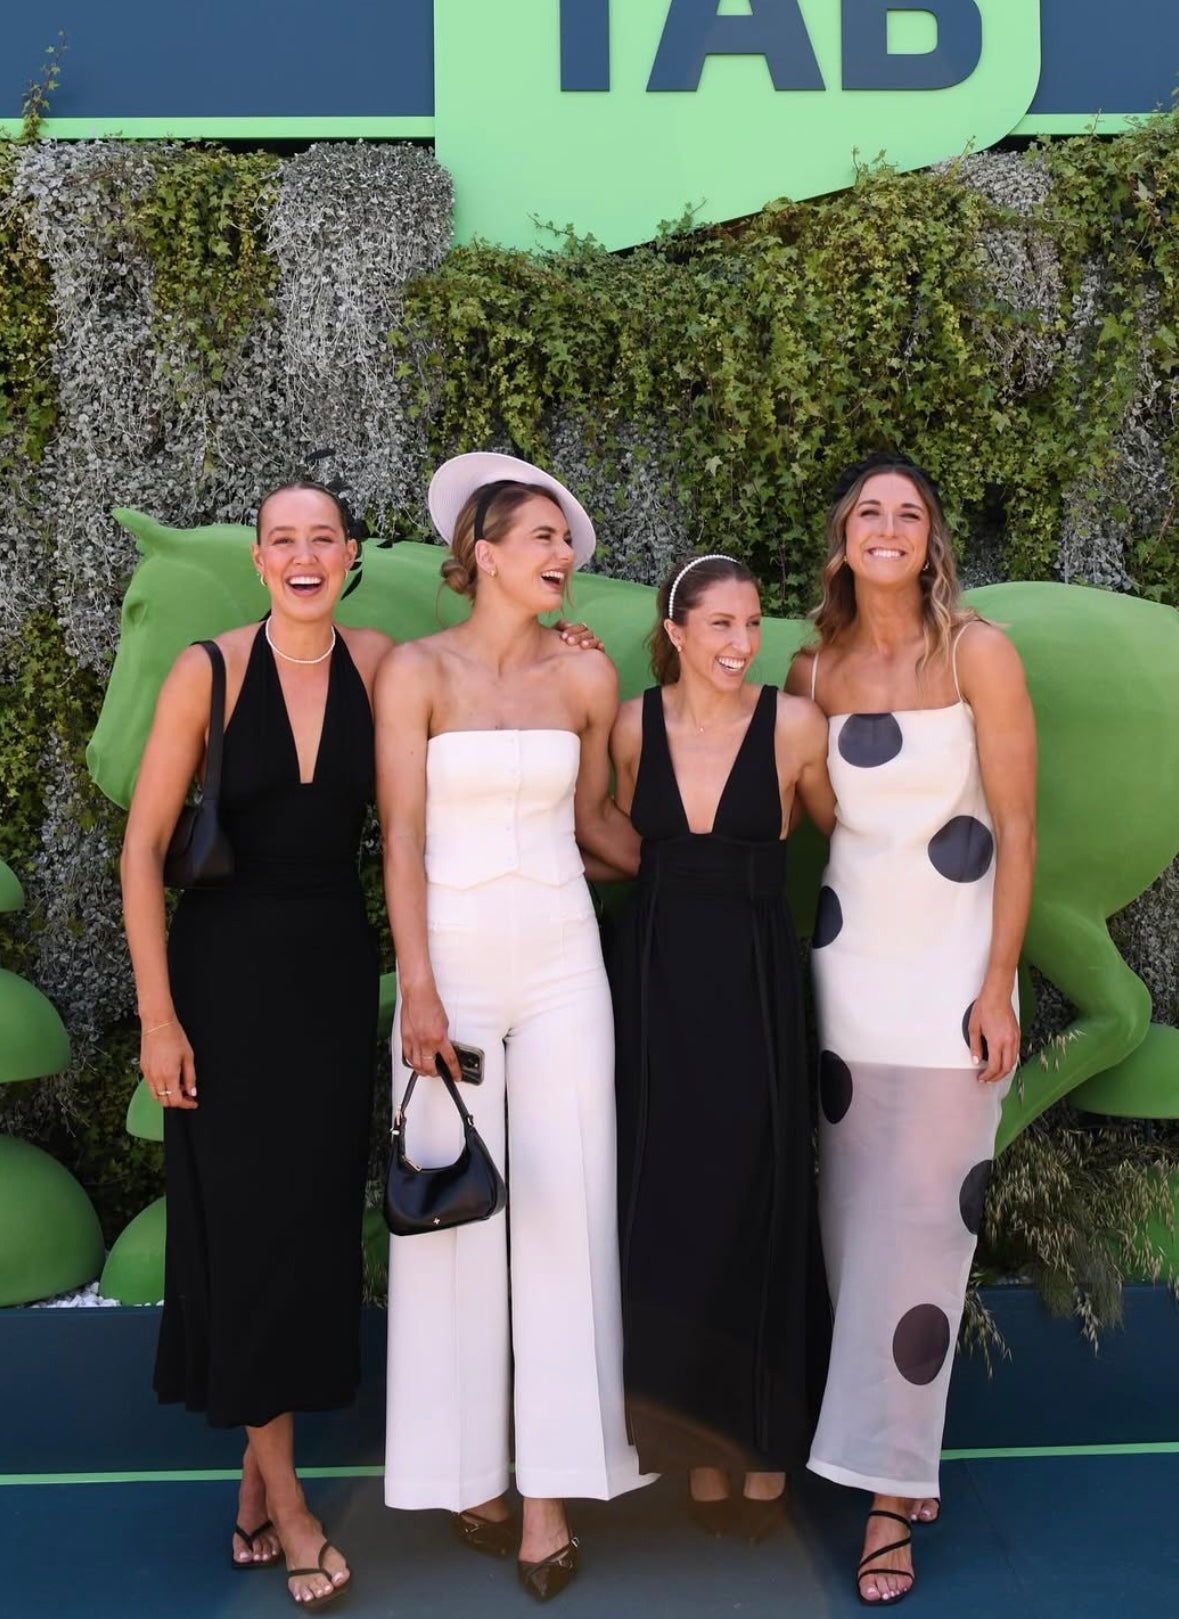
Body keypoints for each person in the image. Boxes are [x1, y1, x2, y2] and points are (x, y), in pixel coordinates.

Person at [376, 453, 651, 1603]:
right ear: (482, 553)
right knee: (448, 1218)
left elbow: (598, 825)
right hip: (451, 970)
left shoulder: (586, 674)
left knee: (565, 1209)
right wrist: (418, 986)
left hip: (564, 968)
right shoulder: (414, 670)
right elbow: (400, 835)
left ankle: (550, 1492)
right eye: (542, 536)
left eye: (567, 540)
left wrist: (710, 872)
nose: (562, 554)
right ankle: (461, 1472)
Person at [121, 482, 393, 1608]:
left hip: (331, 977)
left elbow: (479, 691)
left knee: (310, 1232)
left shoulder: (382, 662)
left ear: (351, 554)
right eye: (283, 538)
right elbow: (142, 851)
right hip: (223, 986)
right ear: (257, 558)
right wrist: (158, 1017)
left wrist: (559, 637)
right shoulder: (210, 670)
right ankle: (289, 1507)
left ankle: (253, 1478)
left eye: (322, 536)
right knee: (248, 1235)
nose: (303, 553)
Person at [786, 455, 1037, 1606]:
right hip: (851, 978)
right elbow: (821, 819)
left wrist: (998, 983)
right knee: (852, 1227)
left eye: (910, 513)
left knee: (926, 1225)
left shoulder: (980, 651)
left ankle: (888, 1493)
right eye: (868, 513)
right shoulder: (812, 669)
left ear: (933, 539)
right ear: (843, 539)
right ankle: (895, 1449)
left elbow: (1018, 828)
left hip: (952, 980)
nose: (888, 528)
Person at [608, 554, 835, 1540]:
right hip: (654, 976)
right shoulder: (629, 726)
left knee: (760, 1189)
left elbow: (851, 838)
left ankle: (766, 1440)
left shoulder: (795, 725)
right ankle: (695, 1444)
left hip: (753, 977)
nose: (742, 643)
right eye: (720, 625)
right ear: (676, 629)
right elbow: (612, 838)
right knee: (672, 1197)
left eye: (752, 623)